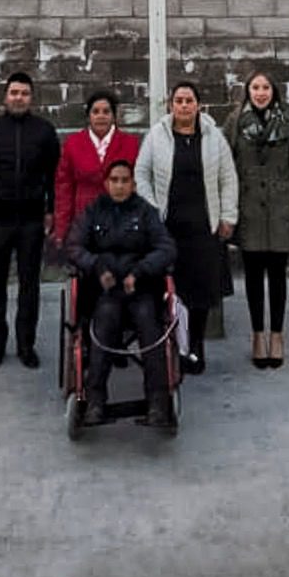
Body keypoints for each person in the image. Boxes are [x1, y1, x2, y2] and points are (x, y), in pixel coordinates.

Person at [135, 79, 237, 374]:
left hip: (205, 228)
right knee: (169, 290)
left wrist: (228, 217)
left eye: (189, 100)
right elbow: (141, 174)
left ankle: (195, 347)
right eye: (178, 100)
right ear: (170, 105)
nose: (183, 105)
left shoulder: (213, 136)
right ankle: (169, 347)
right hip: (168, 228)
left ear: (198, 105)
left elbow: (228, 178)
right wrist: (153, 211)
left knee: (200, 293)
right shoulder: (157, 135)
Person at [70, 157, 176, 427]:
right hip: (105, 290)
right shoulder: (93, 211)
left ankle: (158, 403)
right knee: (103, 323)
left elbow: (166, 248)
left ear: (133, 184)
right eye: (114, 180)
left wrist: (139, 272)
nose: (119, 185)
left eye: (124, 181)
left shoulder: (146, 212)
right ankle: (94, 401)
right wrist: (96, 268)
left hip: (140, 289)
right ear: (106, 183)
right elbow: (74, 247)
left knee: (149, 326)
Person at [0, 70, 60, 370]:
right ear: (5, 97)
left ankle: (25, 344)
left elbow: (54, 176)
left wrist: (51, 209)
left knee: (29, 285)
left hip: (32, 219)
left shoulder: (44, 132)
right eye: (14, 93)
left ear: (31, 98)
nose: (19, 98)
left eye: (24, 93)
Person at [223, 69, 289, 369]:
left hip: (280, 205)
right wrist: (226, 209)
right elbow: (225, 164)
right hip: (248, 207)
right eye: (255, 87)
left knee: (278, 274)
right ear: (248, 91)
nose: (261, 93)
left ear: (274, 91)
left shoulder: (287, 121)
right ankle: (258, 333)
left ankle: (277, 334)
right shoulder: (235, 122)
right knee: (253, 274)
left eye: (266, 88)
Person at [52, 90, 141, 250]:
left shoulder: (130, 144)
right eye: (96, 111)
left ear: (114, 116)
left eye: (106, 112)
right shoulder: (73, 144)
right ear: (89, 116)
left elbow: (137, 186)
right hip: (84, 222)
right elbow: (64, 188)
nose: (101, 116)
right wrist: (62, 229)